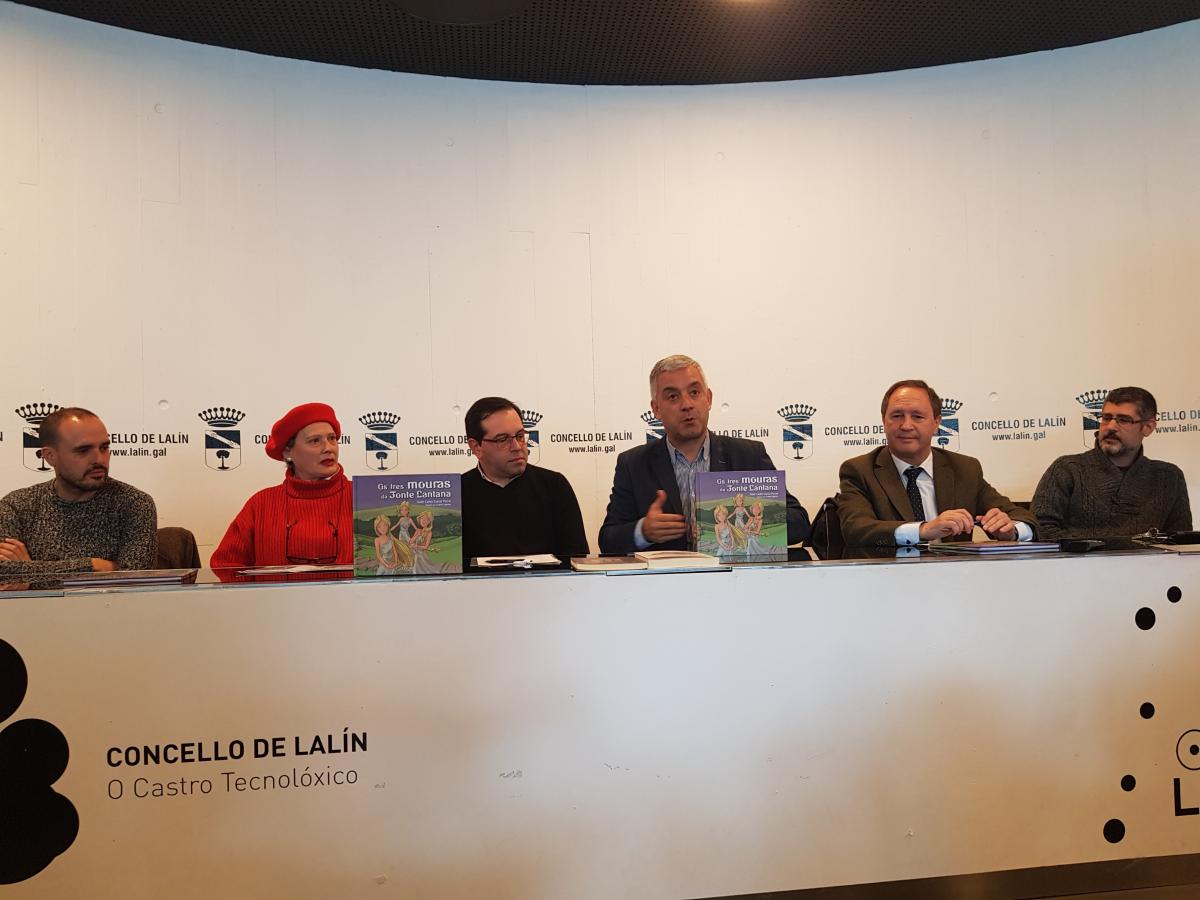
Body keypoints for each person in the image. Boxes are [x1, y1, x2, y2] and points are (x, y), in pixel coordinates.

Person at [598, 355, 810, 554]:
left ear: (708, 399)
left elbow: (799, 523)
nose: (687, 405)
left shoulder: (748, 455)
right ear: (656, 409)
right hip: (666, 580)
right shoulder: (633, 464)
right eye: (673, 396)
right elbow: (608, 540)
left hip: (734, 579)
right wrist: (643, 531)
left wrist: (748, 522)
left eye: (694, 393)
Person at [837, 380, 1038, 547]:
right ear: (884, 421)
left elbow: (1026, 519)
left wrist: (1010, 530)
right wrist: (923, 530)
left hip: (955, 576)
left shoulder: (964, 469)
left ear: (936, 423)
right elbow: (856, 529)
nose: (906, 425)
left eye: (917, 416)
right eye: (897, 416)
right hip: (889, 576)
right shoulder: (860, 470)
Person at [0, 407, 157, 575]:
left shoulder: (135, 504)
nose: (99, 459)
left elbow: (135, 579)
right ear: (50, 456)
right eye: (83, 451)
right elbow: (5, 576)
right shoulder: (16, 506)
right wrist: (94, 565)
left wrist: (27, 573)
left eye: (104, 448)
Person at [1032, 386, 1191, 539]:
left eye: (1123, 420)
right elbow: (1040, 529)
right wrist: (1100, 548)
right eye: (1106, 418)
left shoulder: (1169, 476)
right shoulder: (1066, 469)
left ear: (1148, 427)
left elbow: (1181, 541)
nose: (1111, 427)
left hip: (1151, 559)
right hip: (1080, 559)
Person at [210, 403, 353, 568]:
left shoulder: (364, 496)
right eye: (315, 441)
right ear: (287, 452)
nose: (328, 448)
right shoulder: (261, 503)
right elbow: (225, 565)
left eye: (332, 438)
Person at [460, 397, 590, 564]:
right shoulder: (456, 494)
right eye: (502, 439)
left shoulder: (554, 486)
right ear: (476, 447)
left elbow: (576, 559)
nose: (517, 446)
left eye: (520, 436)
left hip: (548, 581)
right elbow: (443, 568)